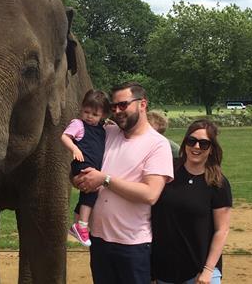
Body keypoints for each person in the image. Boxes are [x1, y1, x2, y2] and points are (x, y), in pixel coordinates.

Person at [73, 81, 174, 284]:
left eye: (123, 105)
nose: (117, 111)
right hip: (99, 240)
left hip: (132, 246)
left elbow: (150, 194)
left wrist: (105, 179)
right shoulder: (107, 133)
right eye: (113, 107)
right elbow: (82, 165)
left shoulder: (157, 145)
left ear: (142, 104)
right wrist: (78, 179)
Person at [151, 119, 233, 284]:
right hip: (164, 269)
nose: (196, 147)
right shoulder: (167, 171)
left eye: (203, 144)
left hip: (200, 270)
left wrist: (208, 270)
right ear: (185, 143)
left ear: (211, 149)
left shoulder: (217, 183)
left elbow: (222, 230)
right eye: (192, 141)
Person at [61, 89, 110, 246]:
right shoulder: (78, 124)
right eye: (86, 112)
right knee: (93, 189)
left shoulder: (101, 128)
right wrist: (74, 149)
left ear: (102, 115)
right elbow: (64, 136)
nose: (89, 116)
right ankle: (82, 225)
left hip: (92, 165)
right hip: (82, 164)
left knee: (87, 193)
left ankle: (76, 224)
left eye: (94, 114)